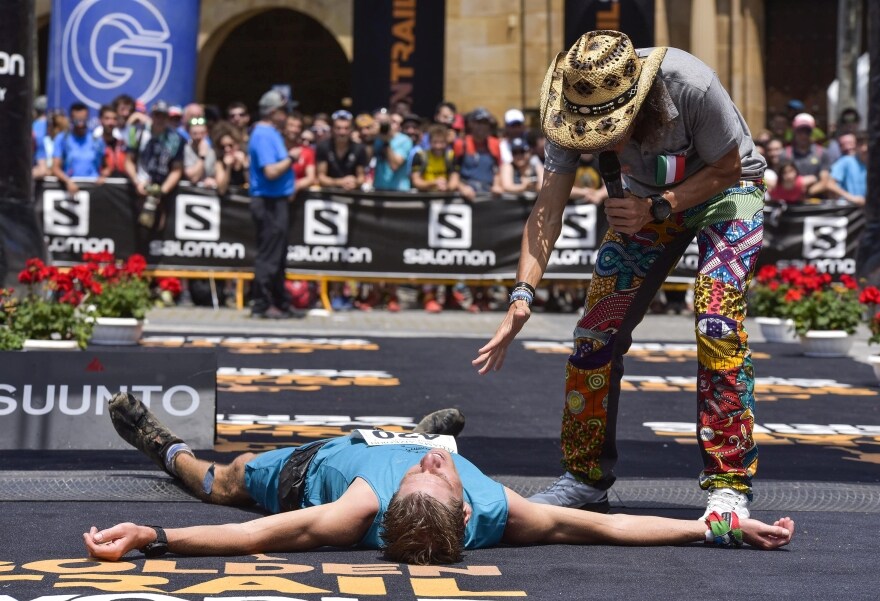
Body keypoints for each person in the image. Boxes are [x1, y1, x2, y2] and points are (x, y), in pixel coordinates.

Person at [474, 30, 768, 520]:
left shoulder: (691, 84)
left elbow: (729, 168)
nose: (597, 143)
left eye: (609, 130)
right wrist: (521, 294)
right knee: (595, 333)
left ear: (638, 105)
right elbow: (548, 209)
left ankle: (729, 481)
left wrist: (661, 206)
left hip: (726, 193)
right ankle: (584, 477)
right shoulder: (570, 104)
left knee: (716, 319)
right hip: (643, 203)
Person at [83, 392, 794, 564]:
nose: (433, 467)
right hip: (390, 436)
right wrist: (715, 526)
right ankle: (427, 424)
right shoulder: (502, 508)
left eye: (425, 471)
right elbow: (610, 525)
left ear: (391, 504)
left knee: (223, 480)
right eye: (438, 470)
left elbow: (264, 531)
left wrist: (156, 533)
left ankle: (162, 443)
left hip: (317, 468)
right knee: (433, 435)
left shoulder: (352, 510)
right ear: (463, 505)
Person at [246, 90, 297, 320]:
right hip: (268, 202)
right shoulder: (263, 135)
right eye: (284, 111)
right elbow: (271, 171)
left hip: (276, 201)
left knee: (278, 254)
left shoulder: (271, 133)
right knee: (269, 255)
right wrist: (292, 158)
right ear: (273, 112)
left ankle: (280, 301)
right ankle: (262, 303)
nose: (287, 115)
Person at [124, 100, 185, 232]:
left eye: (163, 116)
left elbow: (177, 169)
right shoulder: (137, 132)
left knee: (160, 228)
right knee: (136, 227)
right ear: (151, 116)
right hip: (140, 186)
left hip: (163, 189)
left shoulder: (176, 139)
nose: (160, 119)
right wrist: (136, 182)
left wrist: (162, 190)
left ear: (168, 118)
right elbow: (129, 161)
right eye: (157, 115)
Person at [51, 101, 106, 196]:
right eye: (77, 121)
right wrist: (68, 181)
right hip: (71, 188)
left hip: (94, 190)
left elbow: (107, 165)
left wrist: (103, 176)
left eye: (83, 120)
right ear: (71, 119)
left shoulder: (97, 140)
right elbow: (55, 168)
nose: (80, 124)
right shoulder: (62, 138)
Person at [826, 132, 867, 206]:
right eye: (861, 144)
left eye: (866, 144)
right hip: (848, 209)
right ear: (856, 146)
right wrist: (852, 198)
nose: (864, 148)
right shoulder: (846, 161)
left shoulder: (875, 164)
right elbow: (830, 184)